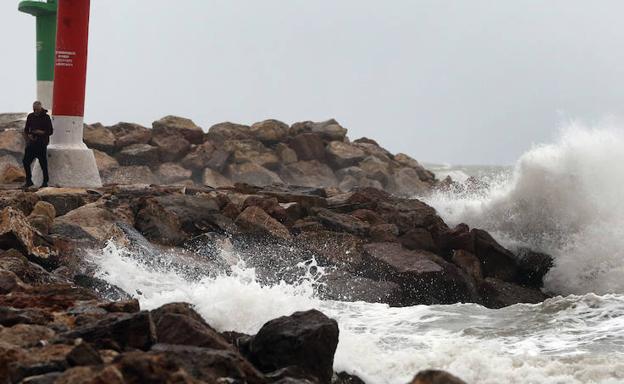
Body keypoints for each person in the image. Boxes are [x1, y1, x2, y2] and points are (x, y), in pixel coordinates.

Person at [23, 101, 53, 188]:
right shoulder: (30, 116)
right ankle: (29, 181)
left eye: (37, 109)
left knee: (43, 164)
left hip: (41, 143)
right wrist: (29, 135)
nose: (36, 111)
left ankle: (45, 182)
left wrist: (41, 132)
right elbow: (26, 129)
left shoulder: (46, 117)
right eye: (34, 109)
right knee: (25, 162)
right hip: (32, 143)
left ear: (41, 109)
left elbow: (50, 131)